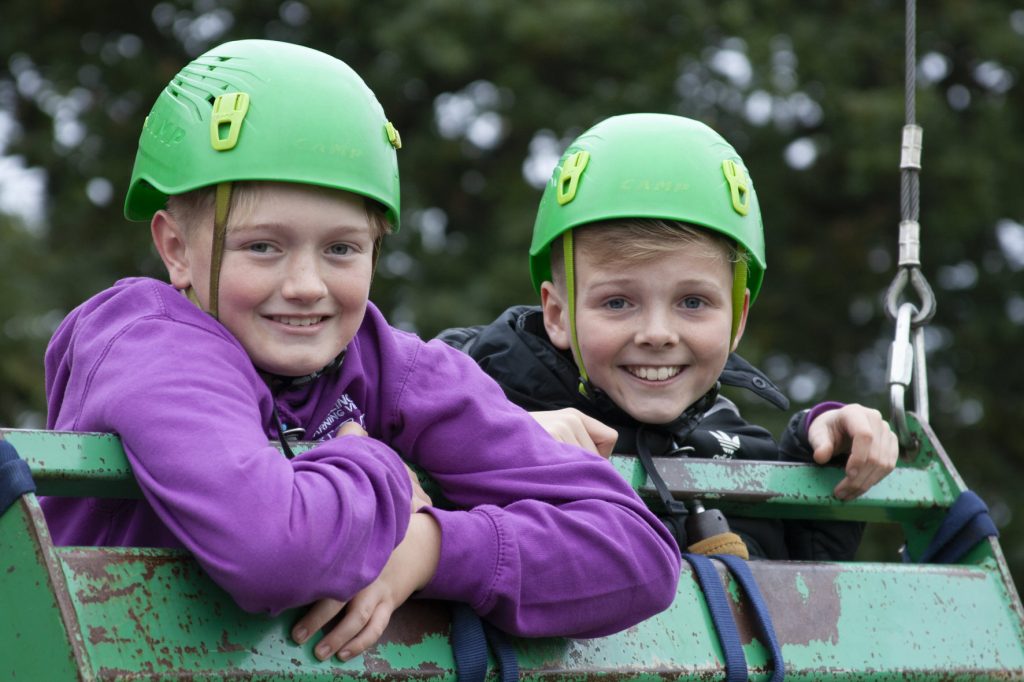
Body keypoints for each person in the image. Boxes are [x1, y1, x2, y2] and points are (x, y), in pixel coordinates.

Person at [39, 42, 682, 663]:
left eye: (341, 249)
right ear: (176, 248)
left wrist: (428, 550)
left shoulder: (391, 368)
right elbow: (272, 551)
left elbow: (638, 556)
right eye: (263, 246)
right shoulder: (150, 344)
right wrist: (376, 464)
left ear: (376, 251)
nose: (305, 286)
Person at [438, 113, 898, 560]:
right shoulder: (459, 397)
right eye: (618, 303)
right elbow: (381, 450)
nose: (657, 334)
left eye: (692, 303)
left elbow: (797, 591)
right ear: (557, 315)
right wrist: (493, 438)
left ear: (737, 320)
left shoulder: (732, 444)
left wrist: (817, 456)